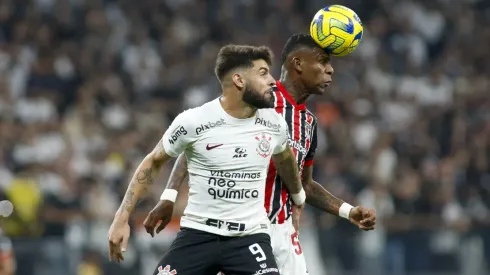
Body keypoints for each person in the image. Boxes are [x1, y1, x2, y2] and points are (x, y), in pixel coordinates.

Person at [143, 34, 377, 275]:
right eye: (323, 62)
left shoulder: (308, 123)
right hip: (239, 233)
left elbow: (304, 184)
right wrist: (169, 195)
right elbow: (197, 140)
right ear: (297, 63)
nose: (330, 71)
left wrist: (348, 211)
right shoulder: (258, 100)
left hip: (282, 233)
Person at [108, 44, 307, 275]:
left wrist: (298, 196)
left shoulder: (274, 123)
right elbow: (154, 162)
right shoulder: (194, 121)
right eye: (263, 73)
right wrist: (122, 217)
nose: (273, 81)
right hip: (198, 235)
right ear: (239, 80)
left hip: (249, 238)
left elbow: (285, 157)